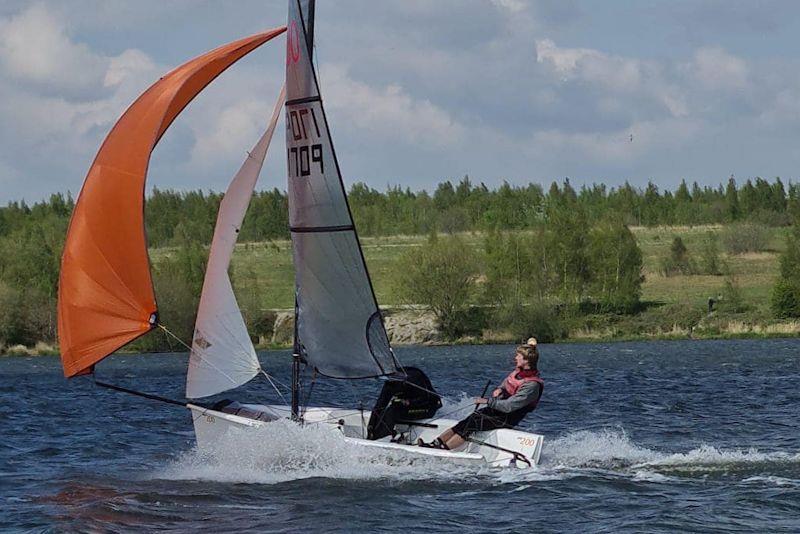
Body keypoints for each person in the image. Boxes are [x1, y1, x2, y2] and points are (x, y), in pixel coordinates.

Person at [418, 337, 544, 450]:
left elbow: (509, 406)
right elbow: (506, 383)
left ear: (526, 360)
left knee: (472, 424)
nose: (515, 358)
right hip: (497, 410)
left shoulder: (532, 385)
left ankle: (444, 449)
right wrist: (499, 389)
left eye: (518, 356)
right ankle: (435, 443)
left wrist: (487, 401)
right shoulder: (518, 372)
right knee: (467, 420)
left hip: (508, 417)